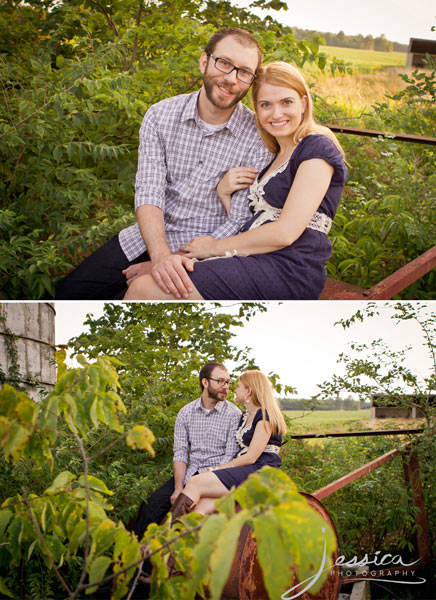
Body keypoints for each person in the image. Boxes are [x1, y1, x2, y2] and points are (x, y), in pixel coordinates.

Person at [54, 27, 272, 300]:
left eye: (244, 72)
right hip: (146, 237)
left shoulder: (258, 136)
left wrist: (172, 262)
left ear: (252, 80)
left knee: (138, 295)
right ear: (204, 62)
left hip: (202, 251)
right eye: (224, 63)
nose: (231, 79)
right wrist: (160, 258)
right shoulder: (160, 115)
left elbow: (240, 219)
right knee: (67, 294)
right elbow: (149, 191)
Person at [124, 61, 349, 301]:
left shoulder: (316, 147)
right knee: (145, 282)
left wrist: (211, 248)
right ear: (256, 108)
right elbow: (251, 225)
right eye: (265, 105)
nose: (276, 114)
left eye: (286, 102)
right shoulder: (273, 155)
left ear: (303, 103)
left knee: (144, 290)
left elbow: (285, 232)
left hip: (290, 269)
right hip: (256, 260)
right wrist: (179, 261)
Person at [133, 361, 241, 542]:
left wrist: (204, 483)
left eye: (228, 382)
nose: (226, 387)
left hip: (217, 475)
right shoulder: (185, 413)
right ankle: (142, 563)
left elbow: (229, 456)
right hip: (190, 472)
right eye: (220, 381)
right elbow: (181, 453)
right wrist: (177, 488)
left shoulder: (234, 414)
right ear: (205, 382)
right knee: (150, 507)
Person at [170, 370, 287, 519]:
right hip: (245, 470)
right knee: (199, 507)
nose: (234, 390)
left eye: (238, 386)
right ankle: (188, 539)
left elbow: (251, 457)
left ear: (249, 391)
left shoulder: (264, 416)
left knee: (194, 482)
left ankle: (164, 537)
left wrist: (216, 469)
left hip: (259, 471)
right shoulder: (246, 416)